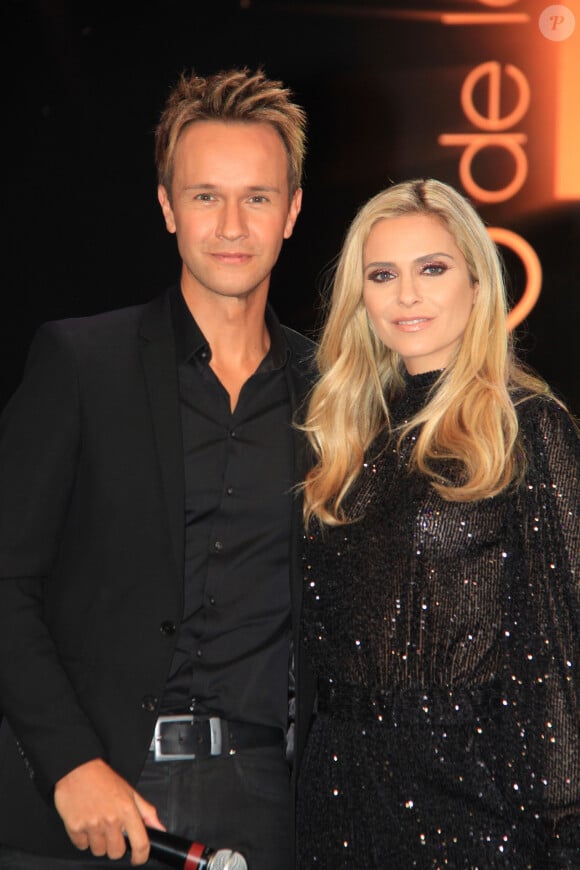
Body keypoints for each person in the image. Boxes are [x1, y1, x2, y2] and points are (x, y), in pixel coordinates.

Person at [0, 67, 316, 870]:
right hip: (83, 800)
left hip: (268, 805)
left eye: (258, 196)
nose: (232, 224)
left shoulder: (337, 393)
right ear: (169, 207)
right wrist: (69, 763)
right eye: (206, 196)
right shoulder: (81, 362)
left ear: (293, 211)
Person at [296, 178, 580, 868]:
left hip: (476, 801)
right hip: (336, 789)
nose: (407, 295)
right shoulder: (343, 437)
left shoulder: (528, 428)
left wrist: (563, 826)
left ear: (478, 283)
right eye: (382, 274)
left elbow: (560, 650)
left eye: (433, 268)